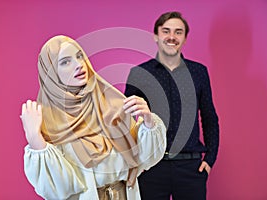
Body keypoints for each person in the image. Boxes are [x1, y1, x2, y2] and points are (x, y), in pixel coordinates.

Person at [20, 35, 166, 200]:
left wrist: (148, 121)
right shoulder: (48, 121)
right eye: (65, 62)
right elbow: (58, 189)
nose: (78, 65)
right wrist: (35, 140)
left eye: (79, 56)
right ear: (51, 73)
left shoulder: (112, 105)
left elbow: (144, 158)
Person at [124, 11, 219, 200]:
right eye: (166, 31)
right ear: (156, 36)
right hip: (151, 168)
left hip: (190, 168)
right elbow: (124, 122)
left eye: (178, 32)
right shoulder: (139, 73)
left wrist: (209, 160)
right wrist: (132, 163)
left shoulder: (199, 72)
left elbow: (209, 118)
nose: (172, 37)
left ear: (184, 38)